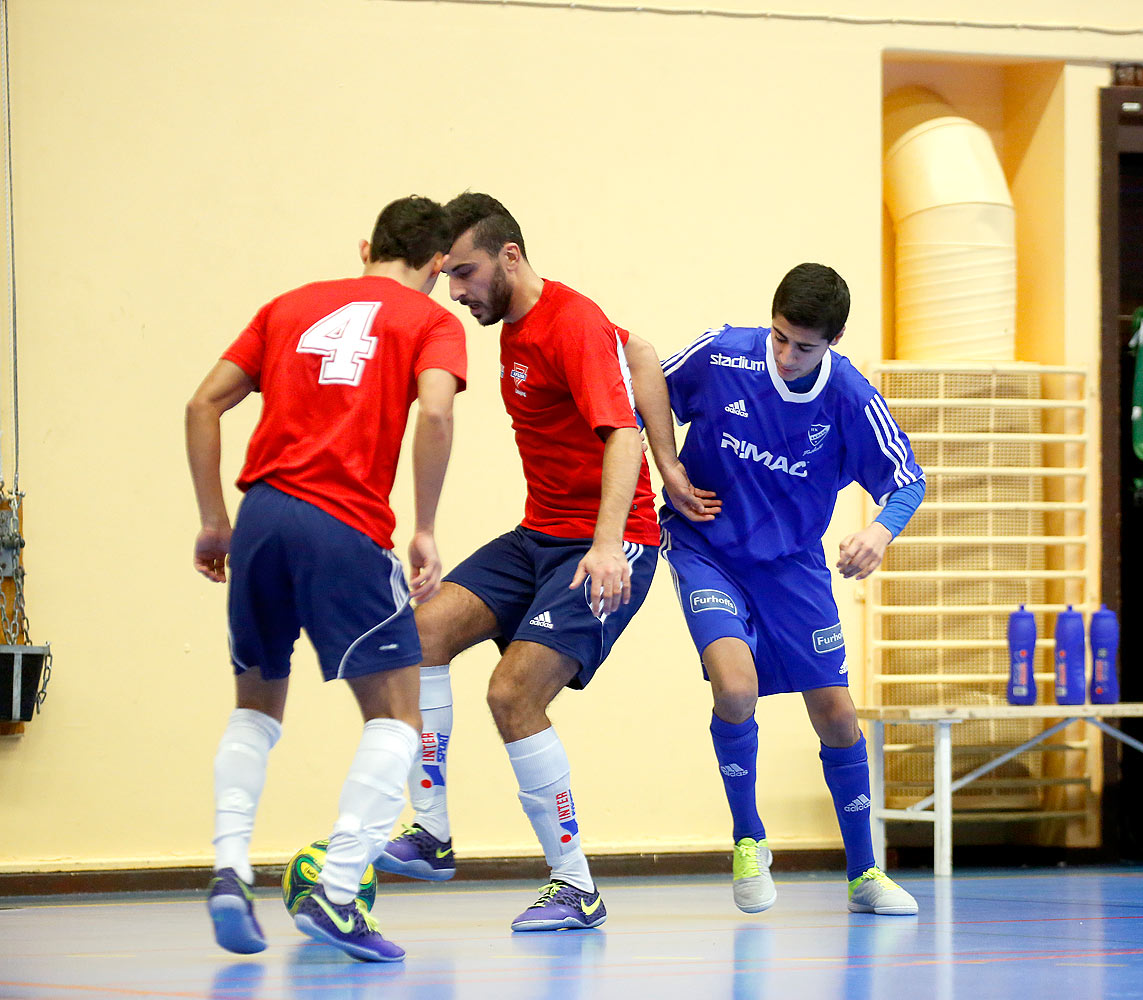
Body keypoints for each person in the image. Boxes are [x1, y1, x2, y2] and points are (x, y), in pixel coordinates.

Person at [374, 193, 708, 931]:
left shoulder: (572, 322)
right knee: (420, 634)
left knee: (511, 696)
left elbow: (616, 435)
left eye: (464, 274)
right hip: (539, 536)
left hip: (608, 546)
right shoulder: (522, 323)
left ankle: (576, 885)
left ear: (510, 257)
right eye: (448, 277)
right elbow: (642, 353)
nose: (455, 292)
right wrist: (672, 463)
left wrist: (613, 534)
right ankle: (430, 833)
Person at [186, 195, 466, 962]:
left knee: (256, 707)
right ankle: (337, 892)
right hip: (341, 523)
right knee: (399, 719)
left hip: (263, 515)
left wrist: (215, 519)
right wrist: (426, 526)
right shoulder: (430, 322)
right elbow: (436, 415)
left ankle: (228, 871)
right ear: (438, 265)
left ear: (367, 245)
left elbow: (203, 402)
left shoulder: (288, 307)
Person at [651, 263, 925, 915]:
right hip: (705, 547)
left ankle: (863, 876)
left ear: (832, 343)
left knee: (835, 712)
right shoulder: (724, 353)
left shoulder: (850, 398)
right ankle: (748, 839)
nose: (786, 356)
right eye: (779, 337)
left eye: (804, 346)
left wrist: (879, 534)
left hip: (793, 566)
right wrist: (667, 467)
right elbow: (645, 391)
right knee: (736, 688)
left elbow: (906, 480)